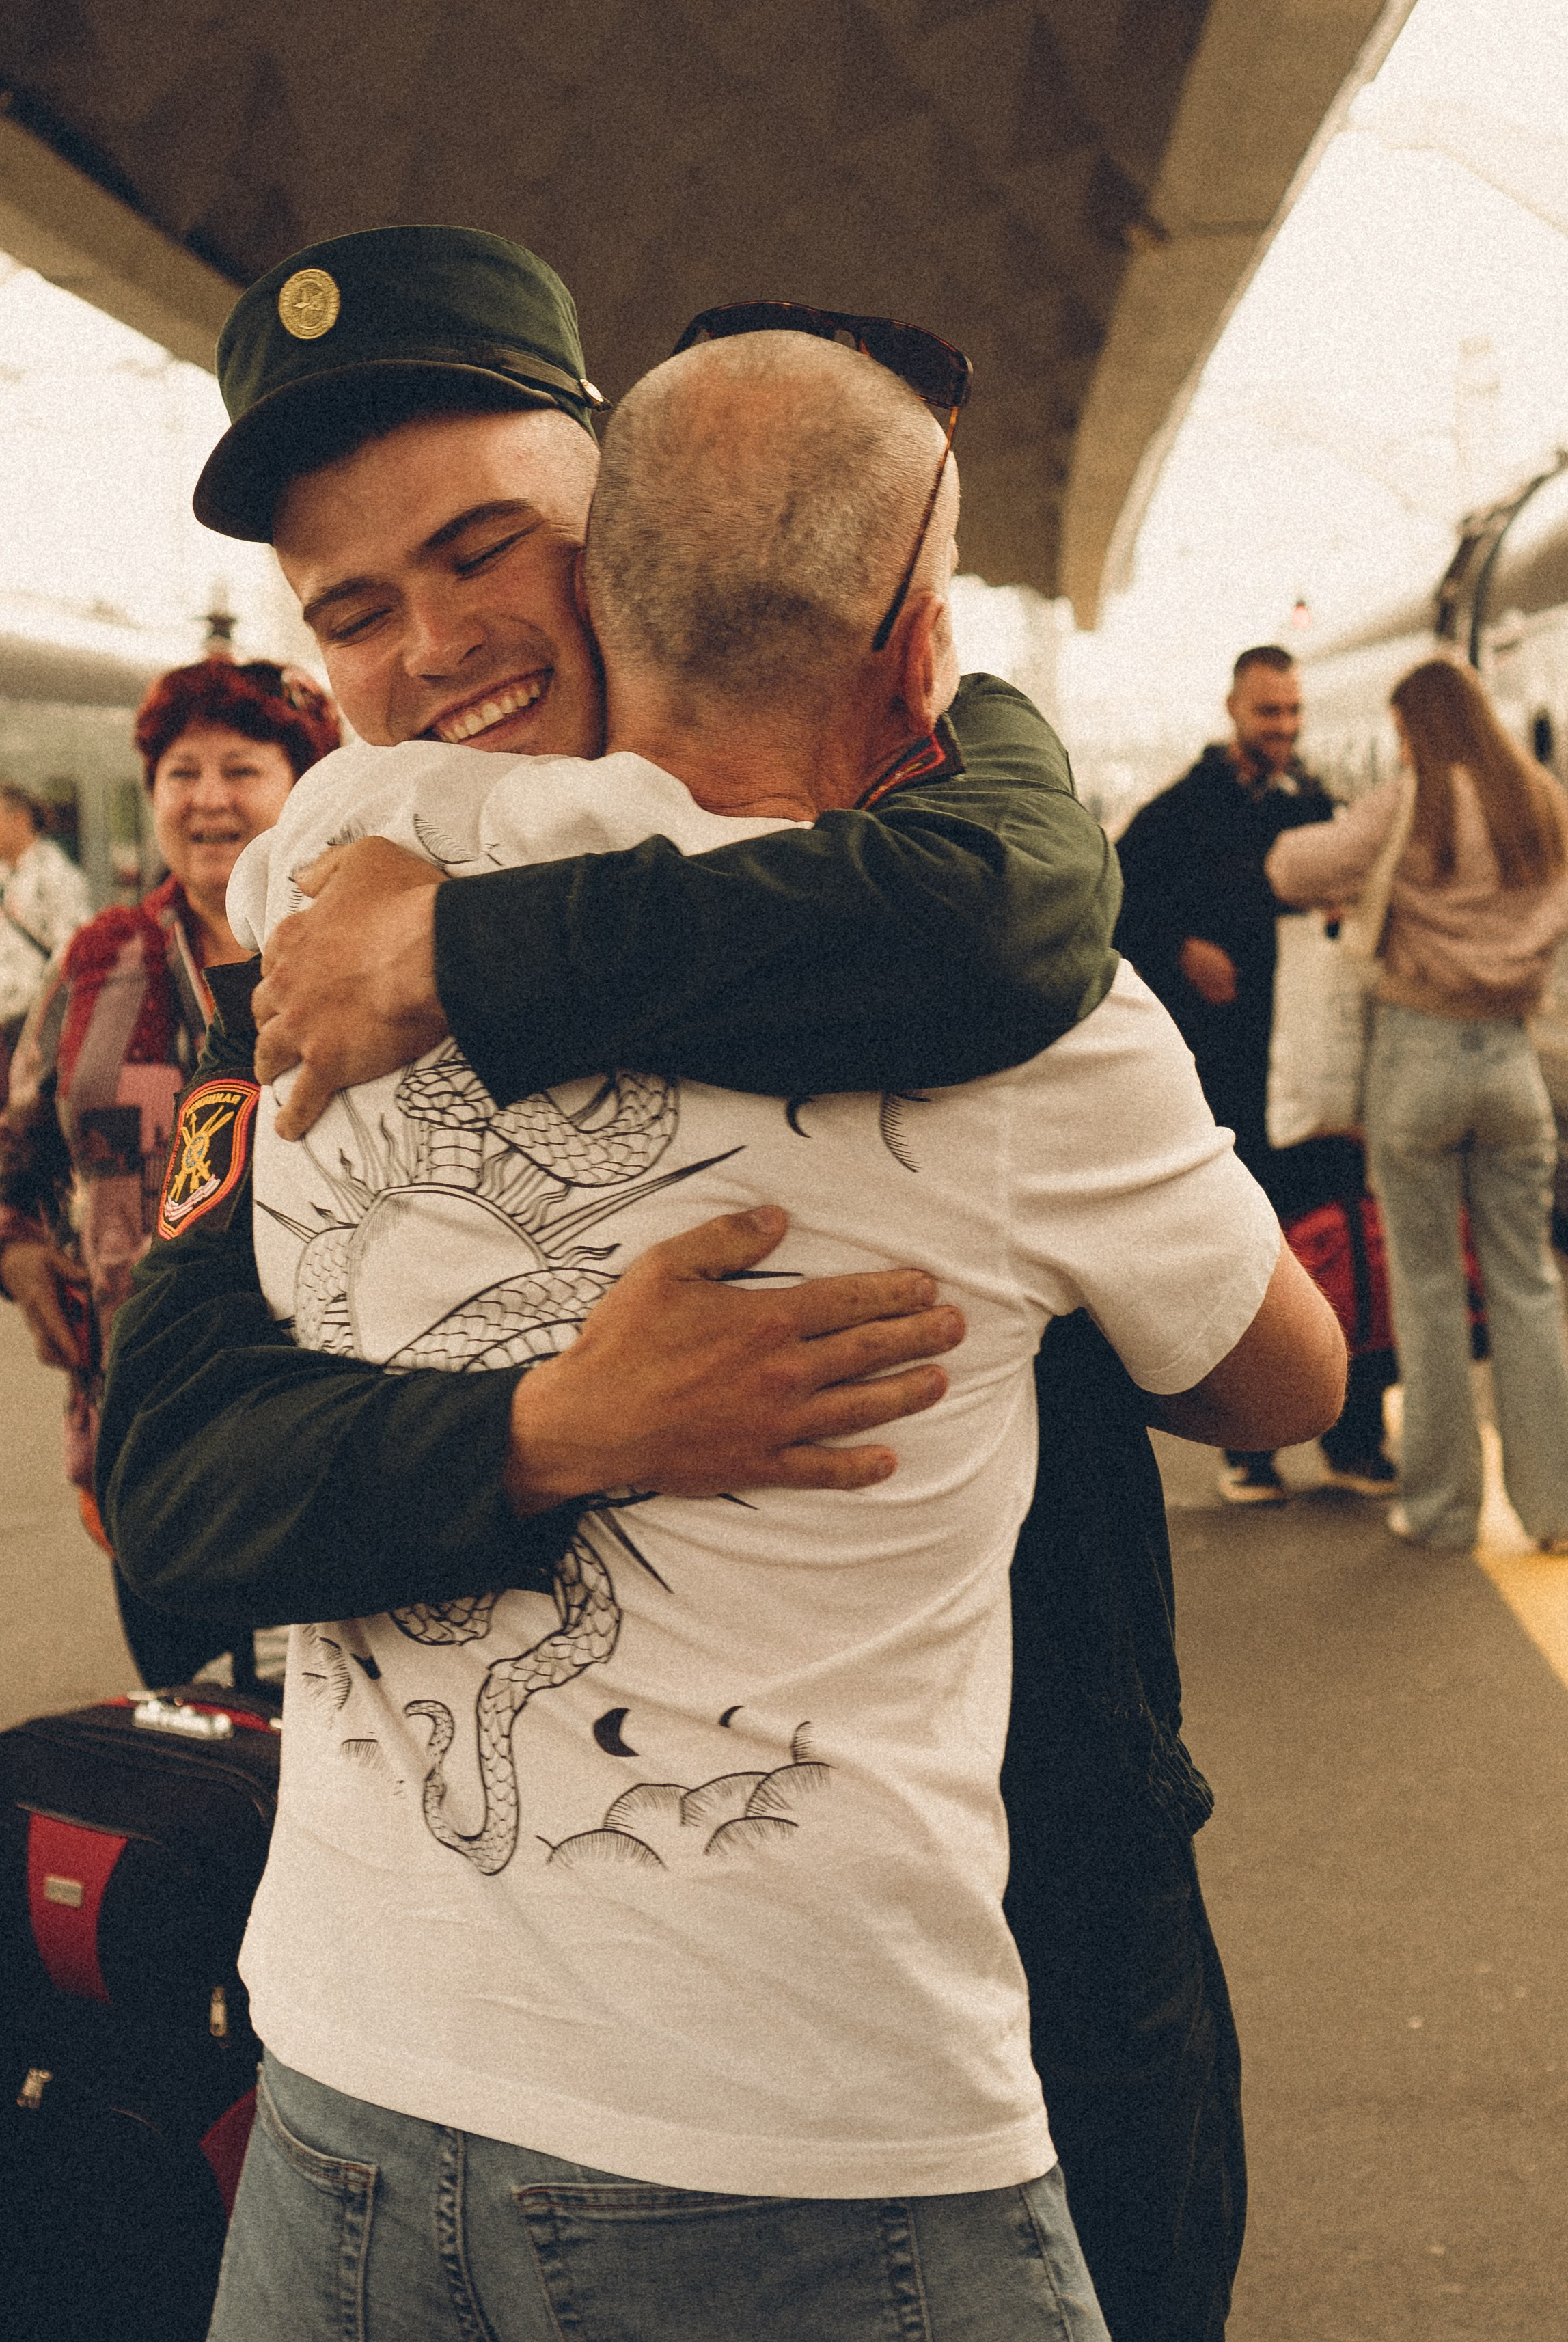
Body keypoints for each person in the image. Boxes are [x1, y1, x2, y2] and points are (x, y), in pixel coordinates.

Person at [99, 230, 1229, 2339]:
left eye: (483, 550)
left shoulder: (909, 864)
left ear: (623, 516)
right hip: (449, 2082)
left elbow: (994, 899)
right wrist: (546, 1430)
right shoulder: (322, 950)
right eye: (356, 610)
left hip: (1000, 1960)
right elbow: (172, 1498)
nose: (438, 646)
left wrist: (474, 956)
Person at [0, 657, 339, 1687]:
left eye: (242, 768)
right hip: (145, 1420)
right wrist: (17, 1248)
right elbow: (17, 1139)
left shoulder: (355, 949)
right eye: (180, 772)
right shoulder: (99, 957)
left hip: (333, 1418)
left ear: (305, 785)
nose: (207, 798)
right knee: (188, 1710)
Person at [1268, 655, 1568, 1554]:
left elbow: (1289, 868)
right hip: (1510, 1061)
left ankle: (1440, 1510)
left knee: (1429, 1289)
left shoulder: (1407, 805)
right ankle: (1556, 1509)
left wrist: (1369, 876)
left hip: (1418, 1060)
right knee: (1528, 1284)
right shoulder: (1540, 804)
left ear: (1416, 729)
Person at [1116, 644, 1396, 1508]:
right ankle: (1252, 1449)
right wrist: (1180, 950)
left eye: (1293, 711)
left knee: (1341, 1238)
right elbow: (1114, 913)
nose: (1284, 726)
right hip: (1228, 1076)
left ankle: (1356, 1435)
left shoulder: (1318, 806)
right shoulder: (1177, 813)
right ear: (1235, 708)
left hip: (1313, 1071)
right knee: (1247, 1260)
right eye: (1269, 710)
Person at [0, 780, 90, 1102]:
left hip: (34, 1024)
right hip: (6, 1021)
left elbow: (72, 948)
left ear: (19, 819)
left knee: (30, 1113)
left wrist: (44, 1021)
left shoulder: (55, 873)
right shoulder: (6, 875)